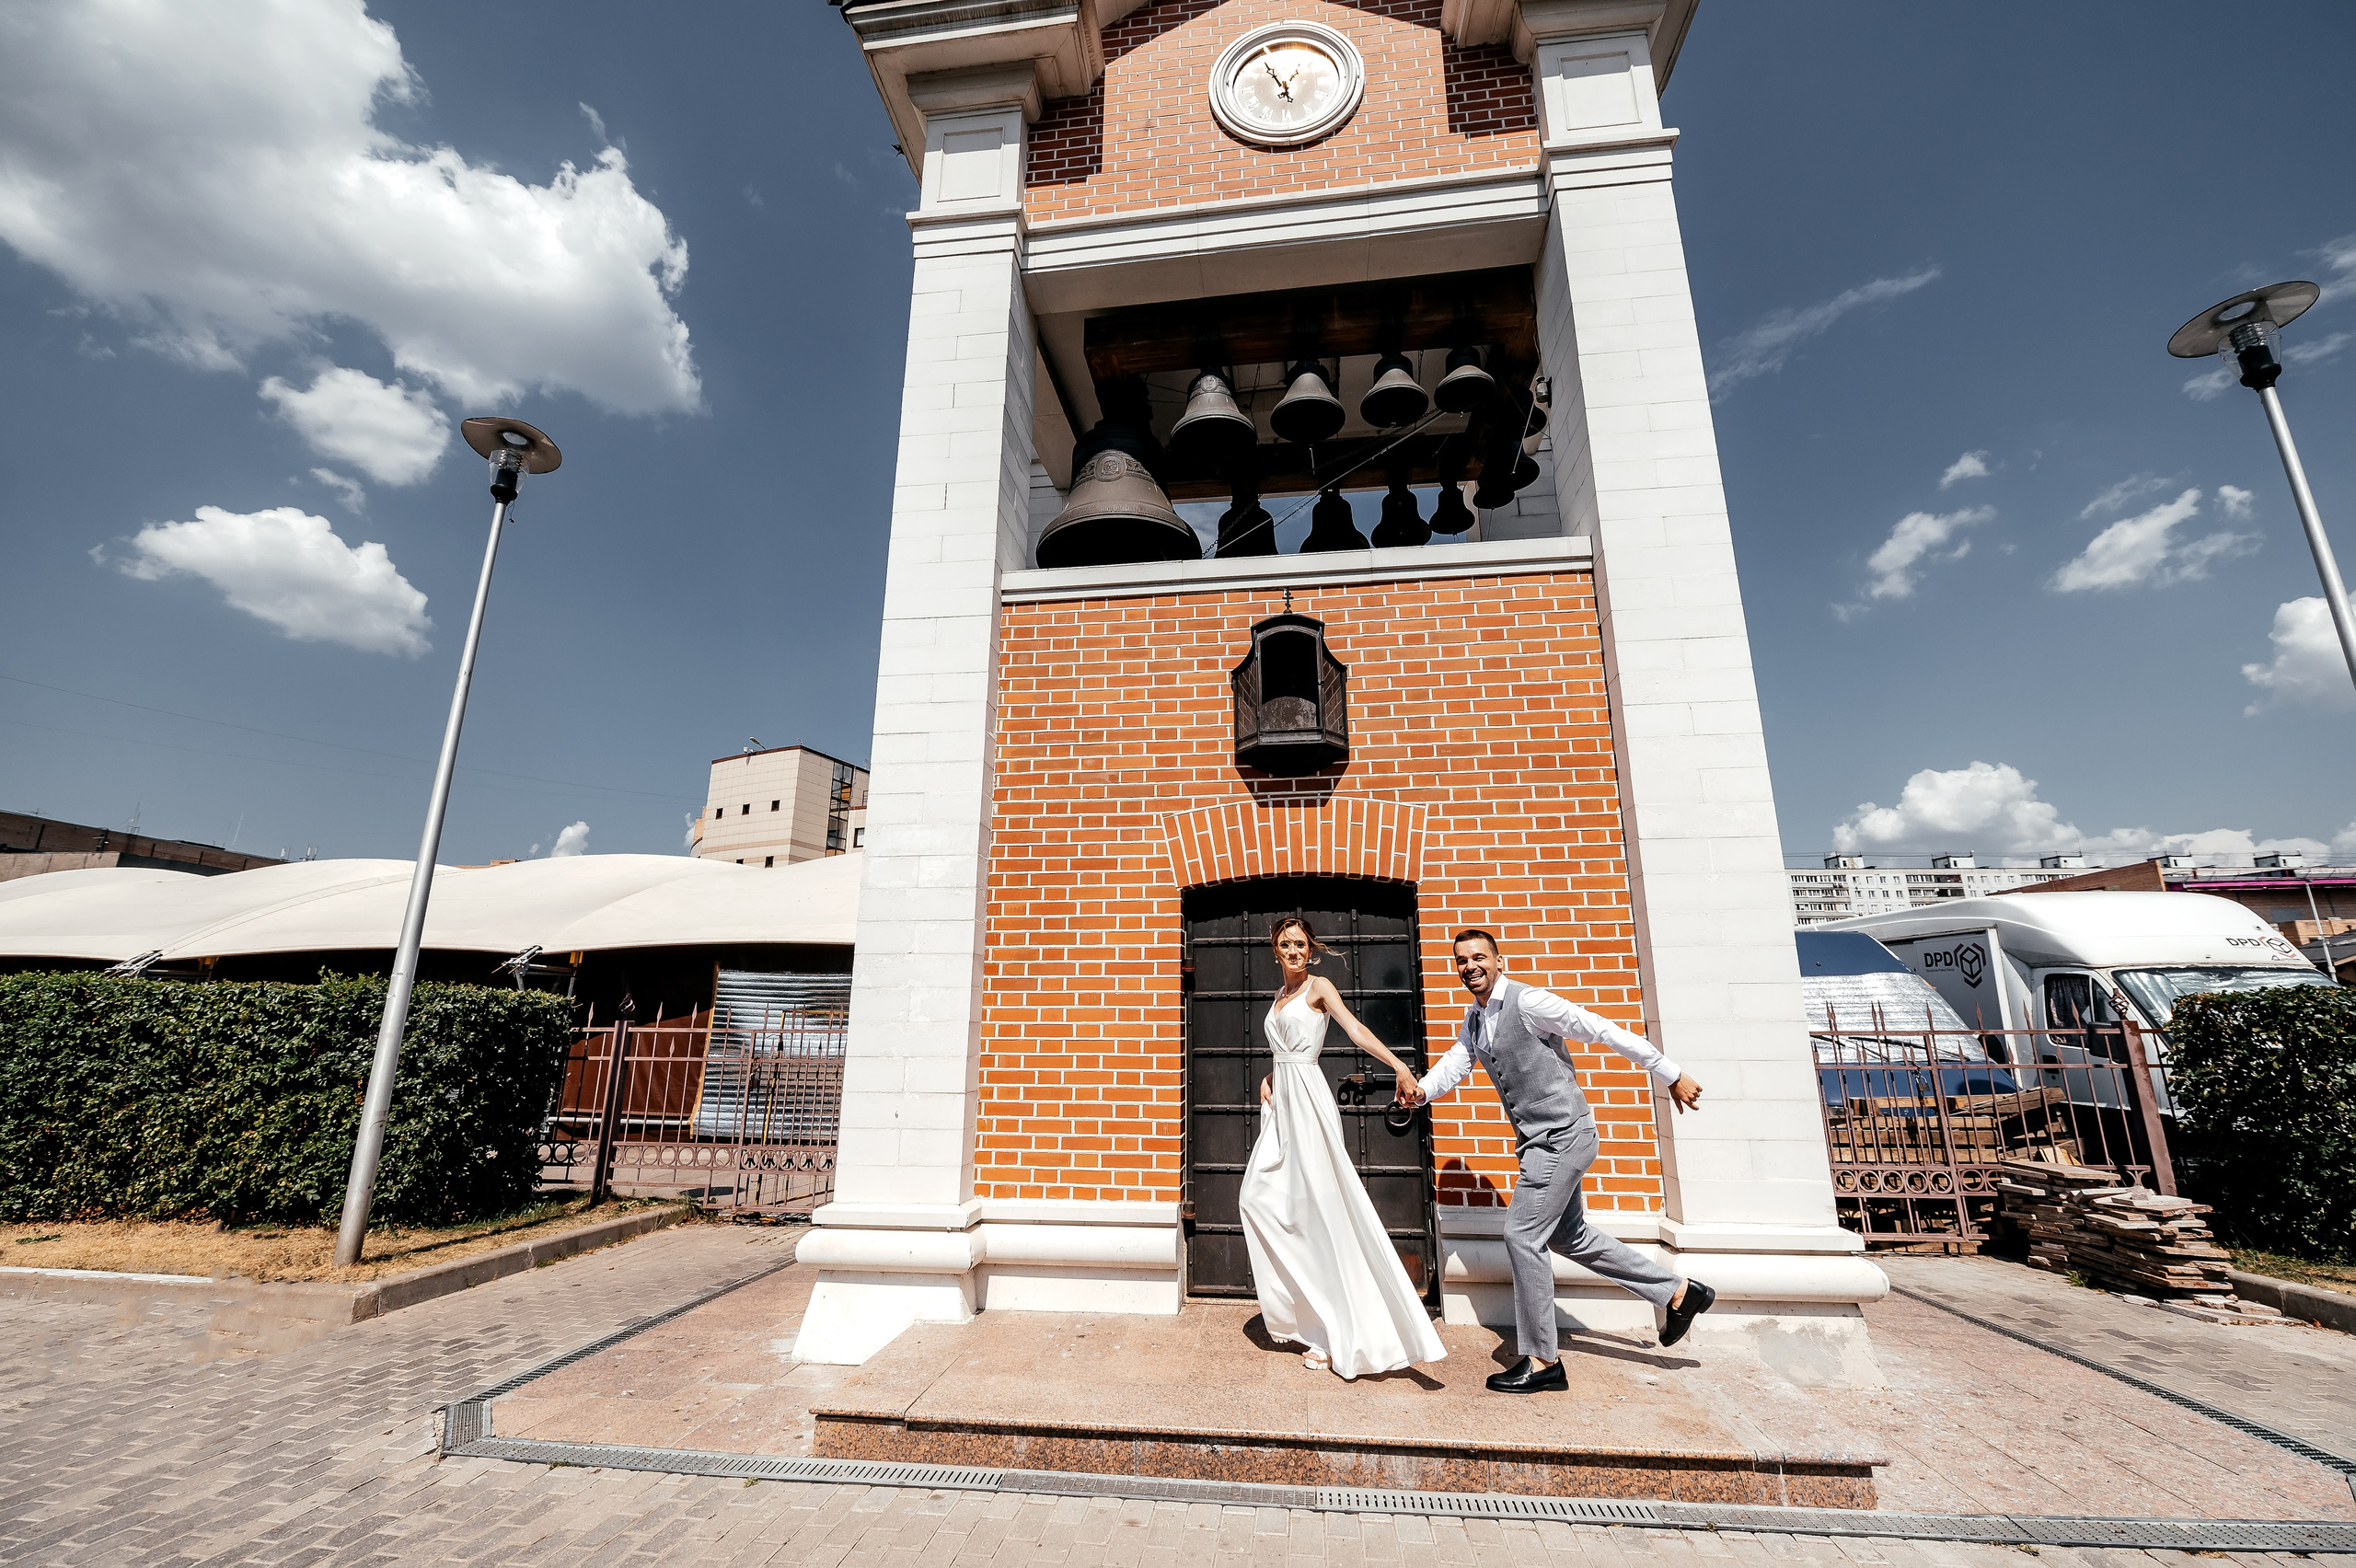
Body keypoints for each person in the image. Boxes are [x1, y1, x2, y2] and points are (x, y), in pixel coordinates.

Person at [1397, 929, 1715, 1394]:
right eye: (1462, 960)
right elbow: (1456, 1062)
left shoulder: (1529, 1003)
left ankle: (1544, 1360)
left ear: (1499, 961)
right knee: (1569, 1235)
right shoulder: (1476, 1018)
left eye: (1479, 957)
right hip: (1542, 1141)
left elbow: (1599, 1027)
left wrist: (1670, 1073)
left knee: (1522, 1234)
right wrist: (1421, 1092)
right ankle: (1679, 1293)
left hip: (1562, 1136)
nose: (1470, 966)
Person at [1237, 915, 1448, 1378]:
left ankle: (1333, 1332)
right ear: (1275, 950)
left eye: (1300, 944)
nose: (1293, 951)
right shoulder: (1279, 995)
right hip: (1284, 1105)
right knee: (1255, 1198)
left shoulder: (1319, 987)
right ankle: (1309, 1313)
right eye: (1285, 945)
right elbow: (1288, 1050)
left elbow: (1355, 1030)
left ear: (1310, 949)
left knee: (1324, 1214)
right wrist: (1272, 1075)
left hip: (1310, 1105)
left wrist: (1399, 1066)